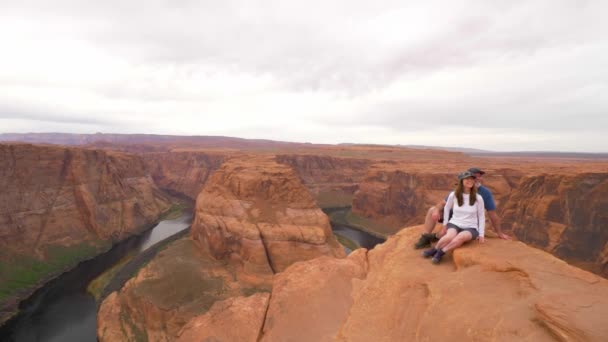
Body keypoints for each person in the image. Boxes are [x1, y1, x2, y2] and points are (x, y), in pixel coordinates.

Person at [413, 167, 511, 249]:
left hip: (471, 222)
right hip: (457, 217)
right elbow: (442, 204)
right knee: (432, 210)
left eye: (479, 176)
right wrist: (436, 210)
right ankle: (425, 237)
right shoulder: (459, 190)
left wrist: (499, 233)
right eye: (474, 176)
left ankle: (434, 238)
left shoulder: (485, 193)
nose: (477, 178)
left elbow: (492, 214)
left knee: (451, 236)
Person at [421, 171, 484, 264]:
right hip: (455, 223)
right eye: (467, 179)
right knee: (449, 237)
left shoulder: (478, 198)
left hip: (471, 227)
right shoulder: (454, 194)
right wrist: (445, 224)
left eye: (472, 179)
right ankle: (434, 249)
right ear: (461, 181)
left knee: (459, 238)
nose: (470, 181)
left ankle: (440, 252)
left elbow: (481, 215)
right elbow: (446, 208)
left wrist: (481, 234)